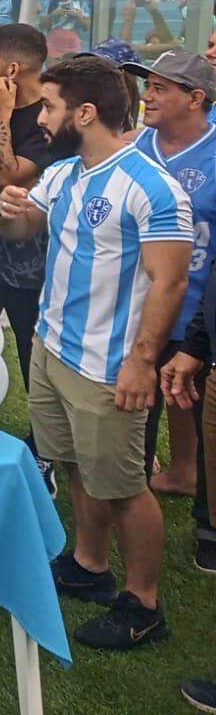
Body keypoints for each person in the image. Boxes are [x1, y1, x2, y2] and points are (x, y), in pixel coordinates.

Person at [0, 54, 192, 651]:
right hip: (53, 349)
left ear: (85, 112)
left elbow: (170, 281)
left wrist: (140, 361)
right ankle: (89, 564)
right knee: (75, 464)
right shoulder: (62, 176)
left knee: (124, 484)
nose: (44, 115)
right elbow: (24, 235)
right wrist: (14, 214)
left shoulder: (151, 186)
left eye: (52, 105)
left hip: (108, 364)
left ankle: (144, 604)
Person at [124, 50, 216, 498]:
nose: (147, 96)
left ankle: (188, 474)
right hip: (140, 301)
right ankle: (136, 479)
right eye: (148, 86)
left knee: (193, 402)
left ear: (195, 98)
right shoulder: (137, 143)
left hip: (197, 310)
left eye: (160, 88)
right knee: (143, 399)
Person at [0, 23, 54, 471]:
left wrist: (3, 118)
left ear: (13, 69)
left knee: (30, 348)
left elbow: (8, 174)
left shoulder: (45, 116)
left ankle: (47, 448)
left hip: (28, 259)